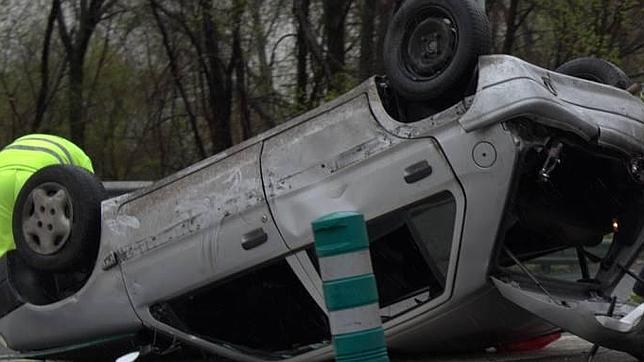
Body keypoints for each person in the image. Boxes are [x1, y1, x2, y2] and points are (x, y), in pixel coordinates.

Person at [0, 134, 93, 259]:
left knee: (3, 246)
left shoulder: (22, 142)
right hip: (36, 180)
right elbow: (90, 202)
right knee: (42, 255)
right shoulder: (81, 158)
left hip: (2, 175)